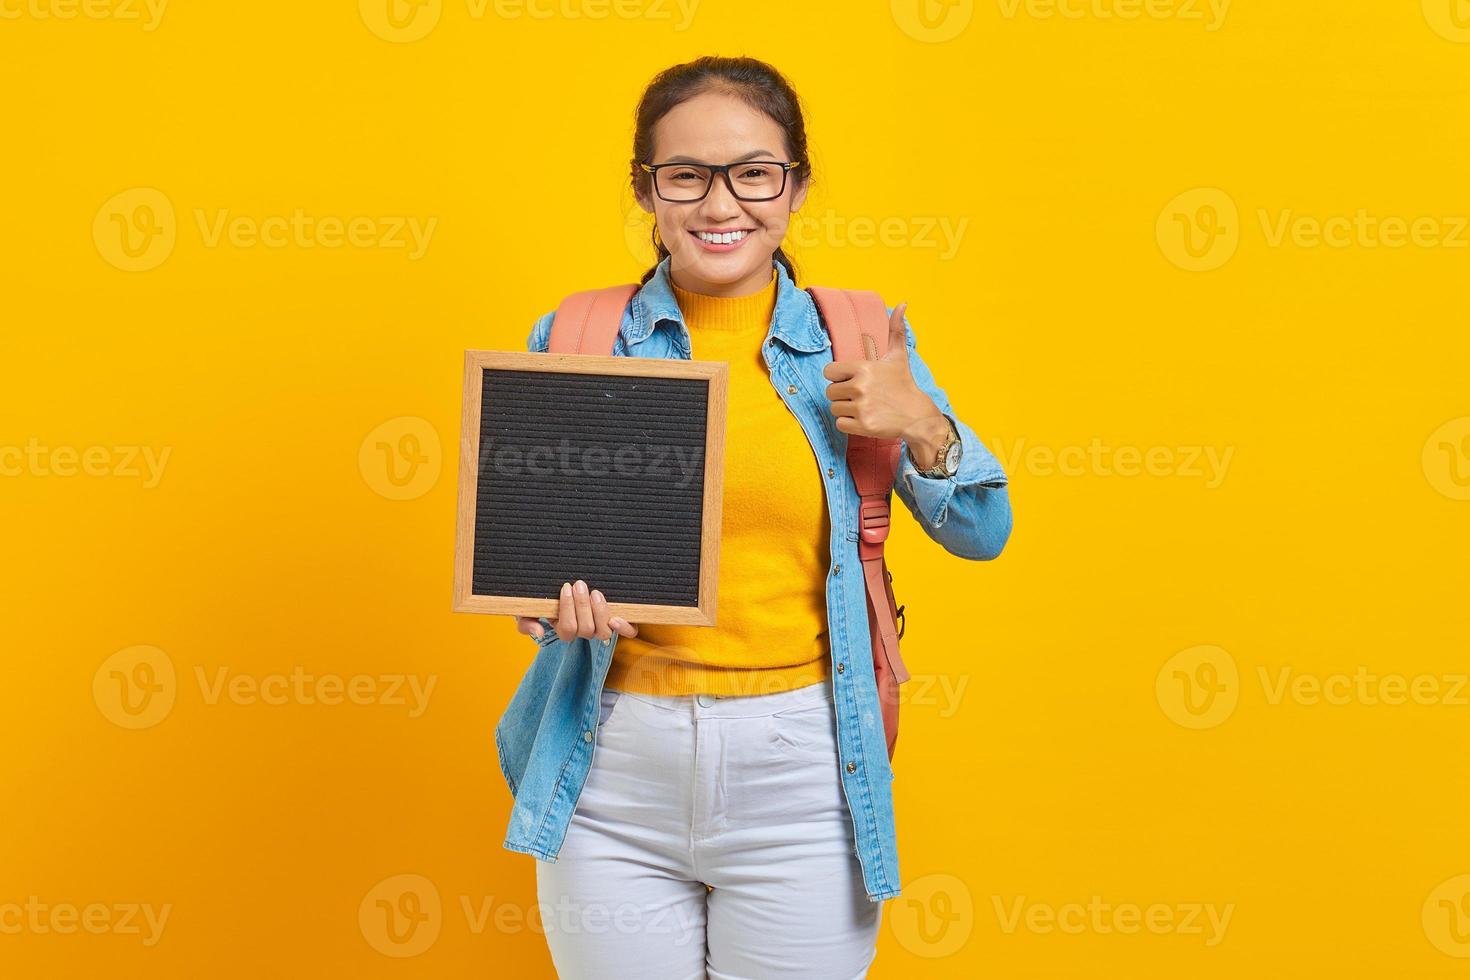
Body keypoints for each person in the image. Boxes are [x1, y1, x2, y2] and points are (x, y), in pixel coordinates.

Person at [497, 55, 1013, 979]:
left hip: (804, 774)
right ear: (647, 191)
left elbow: (982, 532)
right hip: (610, 769)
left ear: (796, 186)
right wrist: (548, 608)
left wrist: (924, 426)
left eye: (753, 172)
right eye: (685, 175)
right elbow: (533, 557)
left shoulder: (858, 341)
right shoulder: (574, 335)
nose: (719, 203)